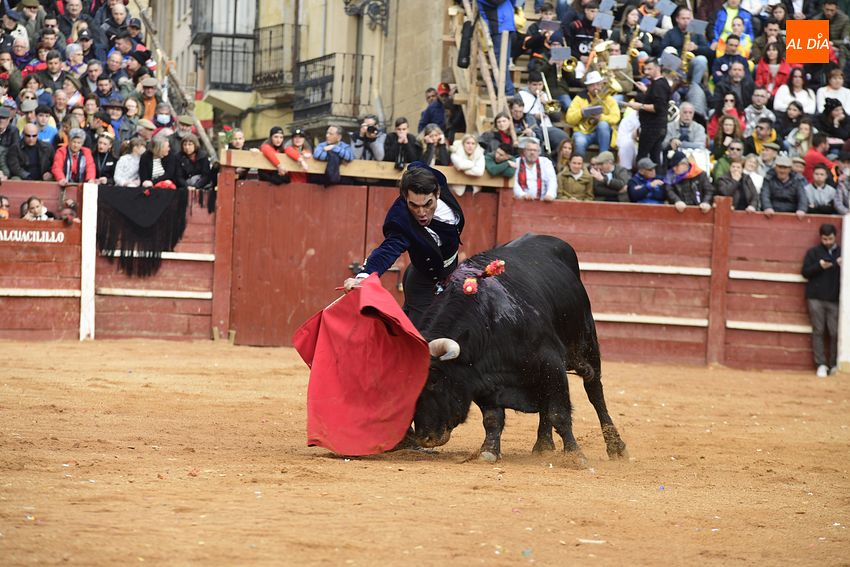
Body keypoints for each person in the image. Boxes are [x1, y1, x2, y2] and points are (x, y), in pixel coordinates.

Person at [342, 163, 464, 329]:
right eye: (413, 205)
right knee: (421, 337)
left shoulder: (437, 180)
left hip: (446, 272)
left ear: (437, 193)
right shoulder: (401, 221)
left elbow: (419, 166)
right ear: (405, 198)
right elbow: (388, 250)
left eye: (427, 204)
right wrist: (364, 276)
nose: (421, 212)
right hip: (425, 281)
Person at [801, 223, 841, 377]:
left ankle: (833, 364)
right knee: (819, 331)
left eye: (830, 239)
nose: (827, 242)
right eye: (824, 239)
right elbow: (805, 272)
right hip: (816, 298)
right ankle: (821, 364)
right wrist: (819, 266)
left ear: (835, 237)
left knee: (834, 332)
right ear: (820, 238)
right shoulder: (813, 253)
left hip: (834, 299)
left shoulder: (843, 252)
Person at [627, 58, 670, 169]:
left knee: (642, 158)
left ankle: (639, 182)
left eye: (649, 69)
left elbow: (658, 107)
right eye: (645, 69)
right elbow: (657, 98)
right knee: (654, 158)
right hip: (658, 127)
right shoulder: (660, 83)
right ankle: (657, 181)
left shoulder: (658, 85)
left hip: (652, 128)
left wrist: (639, 106)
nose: (646, 72)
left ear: (658, 68)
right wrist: (645, 90)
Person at [565, 71, 619, 157]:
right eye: (592, 85)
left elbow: (616, 118)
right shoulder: (579, 98)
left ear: (601, 85)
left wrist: (600, 117)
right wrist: (581, 112)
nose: (595, 87)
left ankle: (602, 158)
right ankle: (579, 164)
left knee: (603, 124)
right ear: (587, 87)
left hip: (601, 133)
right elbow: (569, 119)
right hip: (583, 132)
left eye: (598, 84)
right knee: (579, 141)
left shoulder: (609, 99)